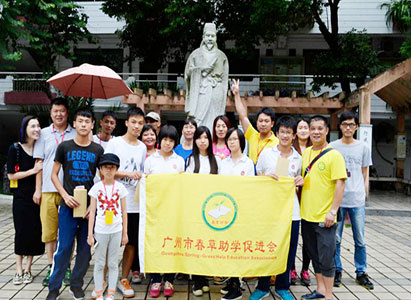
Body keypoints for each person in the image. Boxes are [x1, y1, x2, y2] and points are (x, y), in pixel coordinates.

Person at [46, 109, 104, 300]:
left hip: (88, 209)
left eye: (88, 122)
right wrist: (65, 195)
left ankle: (76, 284)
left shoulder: (98, 150)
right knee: (63, 247)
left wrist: (92, 206)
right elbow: (54, 174)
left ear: (93, 125)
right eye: (80, 121)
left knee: (86, 249)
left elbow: (103, 180)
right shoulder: (64, 147)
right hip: (67, 205)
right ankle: (54, 287)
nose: (84, 125)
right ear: (75, 123)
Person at [251, 116, 304, 300]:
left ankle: (283, 286)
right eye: (282, 131)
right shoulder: (266, 154)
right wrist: (266, 178)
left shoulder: (299, 158)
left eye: (289, 132)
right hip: (269, 211)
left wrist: (301, 182)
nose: (285, 135)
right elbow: (256, 179)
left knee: (288, 250)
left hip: (291, 212)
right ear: (277, 132)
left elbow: (301, 183)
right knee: (266, 247)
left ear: (294, 135)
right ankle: (262, 286)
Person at [300, 115, 347, 300]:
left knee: (327, 258)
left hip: (325, 218)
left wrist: (333, 211)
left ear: (327, 130)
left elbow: (340, 184)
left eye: (320, 128)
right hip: (307, 215)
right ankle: (319, 290)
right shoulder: (307, 153)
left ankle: (329, 295)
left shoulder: (334, 155)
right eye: (313, 128)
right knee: (315, 255)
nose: (316, 132)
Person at [33, 97, 76, 287]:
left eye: (62, 111)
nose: (59, 114)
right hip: (48, 190)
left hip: (70, 191)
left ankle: (66, 266)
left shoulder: (75, 133)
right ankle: (52, 266)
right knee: (50, 233)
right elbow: (39, 164)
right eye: (55, 111)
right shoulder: (42, 134)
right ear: (51, 113)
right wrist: (38, 190)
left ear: (67, 113)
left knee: (68, 233)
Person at [105, 107, 147, 298]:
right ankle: (104, 280)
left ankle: (124, 279)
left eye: (140, 123)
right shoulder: (114, 143)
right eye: (134, 122)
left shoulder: (142, 147)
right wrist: (128, 173)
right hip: (113, 203)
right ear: (127, 123)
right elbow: (105, 170)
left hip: (135, 204)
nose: (137, 126)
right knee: (109, 242)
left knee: (130, 243)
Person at [330, 111, 374, 290]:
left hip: (357, 200)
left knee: (360, 239)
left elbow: (365, 173)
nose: (348, 128)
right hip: (339, 200)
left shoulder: (363, 147)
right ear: (340, 126)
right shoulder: (333, 147)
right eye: (345, 124)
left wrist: (365, 194)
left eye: (351, 125)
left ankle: (361, 271)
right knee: (336, 239)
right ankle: (336, 270)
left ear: (356, 127)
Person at [144, 125, 185, 298]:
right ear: (160, 140)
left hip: (173, 210)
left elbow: (182, 186)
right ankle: (155, 278)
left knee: (171, 243)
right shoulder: (151, 160)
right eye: (165, 140)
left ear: (175, 142)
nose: (167, 143)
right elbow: (145, 185)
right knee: (154, 243)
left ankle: (169, 278)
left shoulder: (179, 161)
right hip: (154, 211)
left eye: (171, 140)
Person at [7, 116, 44, 285]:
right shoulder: (15, 148)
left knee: (34, 231)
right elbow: (11, 175)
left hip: (37, 197)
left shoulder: (39, 148)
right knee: (21, 231)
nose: (37, 129)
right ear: (25, 129)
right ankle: (18, 269)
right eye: (33, 126)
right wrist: (33, 170)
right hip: (21, 198)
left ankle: (29, 269)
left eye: (38, 126)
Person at [218, 128, 254, 300]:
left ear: (241, 141)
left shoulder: (247, 163)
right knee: (227, 246)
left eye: (235, 139)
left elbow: (249, 189)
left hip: (241, 212)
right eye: (229, 140)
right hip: (225, 211)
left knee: (237, 247)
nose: (232, 142)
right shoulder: (223, 163)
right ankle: (230, 281)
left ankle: (236, 286)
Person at [87, 153, 128, 300]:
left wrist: (125, 233)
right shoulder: (96, 188)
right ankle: (99, 292)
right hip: (100, 230)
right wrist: (90, 234)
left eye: (112, 167)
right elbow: (92, 212)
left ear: (116, 169)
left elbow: (124, 212)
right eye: (106, 167)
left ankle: (111, 293)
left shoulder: (121, 188)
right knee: (99, 262)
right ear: (101, 170)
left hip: (116, 230)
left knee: (112, 262)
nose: (109, 171)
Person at [185, 126, 219, 297]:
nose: (202, 141)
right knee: (196, 242)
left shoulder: (217, 160)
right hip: (196, 208)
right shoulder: (191, 160)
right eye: (199, 137)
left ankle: (206, 277)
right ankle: (197, 279)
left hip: (212, 210)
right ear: (195, 140)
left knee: (208, 243)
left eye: (206, 137)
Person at [184, 22, 229, 131]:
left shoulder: (221, 56)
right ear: (203, 37)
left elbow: (225, 80)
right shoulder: (195, 54)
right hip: (201, 91)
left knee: (216, 118)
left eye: (212, 36)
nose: (210, 39)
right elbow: (187, 74)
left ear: (216, 38)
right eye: (207, 36)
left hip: (217, 92)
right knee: (198, 118)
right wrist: (202, 70)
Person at [231, 79, 279, 165]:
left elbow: (282, 163)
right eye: (260, 121)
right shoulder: (252, 135)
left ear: (272, 124)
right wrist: (237, 94)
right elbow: (242, 116)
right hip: (251, 174)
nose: (263, 124)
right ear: (256, 123)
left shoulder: (277, 142)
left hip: (267, 177)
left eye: (266, 121)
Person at [291, 118, 312, 286]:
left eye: (307, 127)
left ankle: (305, 268)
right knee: (291, 237)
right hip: (293, 199)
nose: (304, 130)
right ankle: (291, 268)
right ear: (295, 132)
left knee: (308, 237)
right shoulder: (291, 151)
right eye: (301, 127)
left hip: (310, 198)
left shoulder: (315, 150)